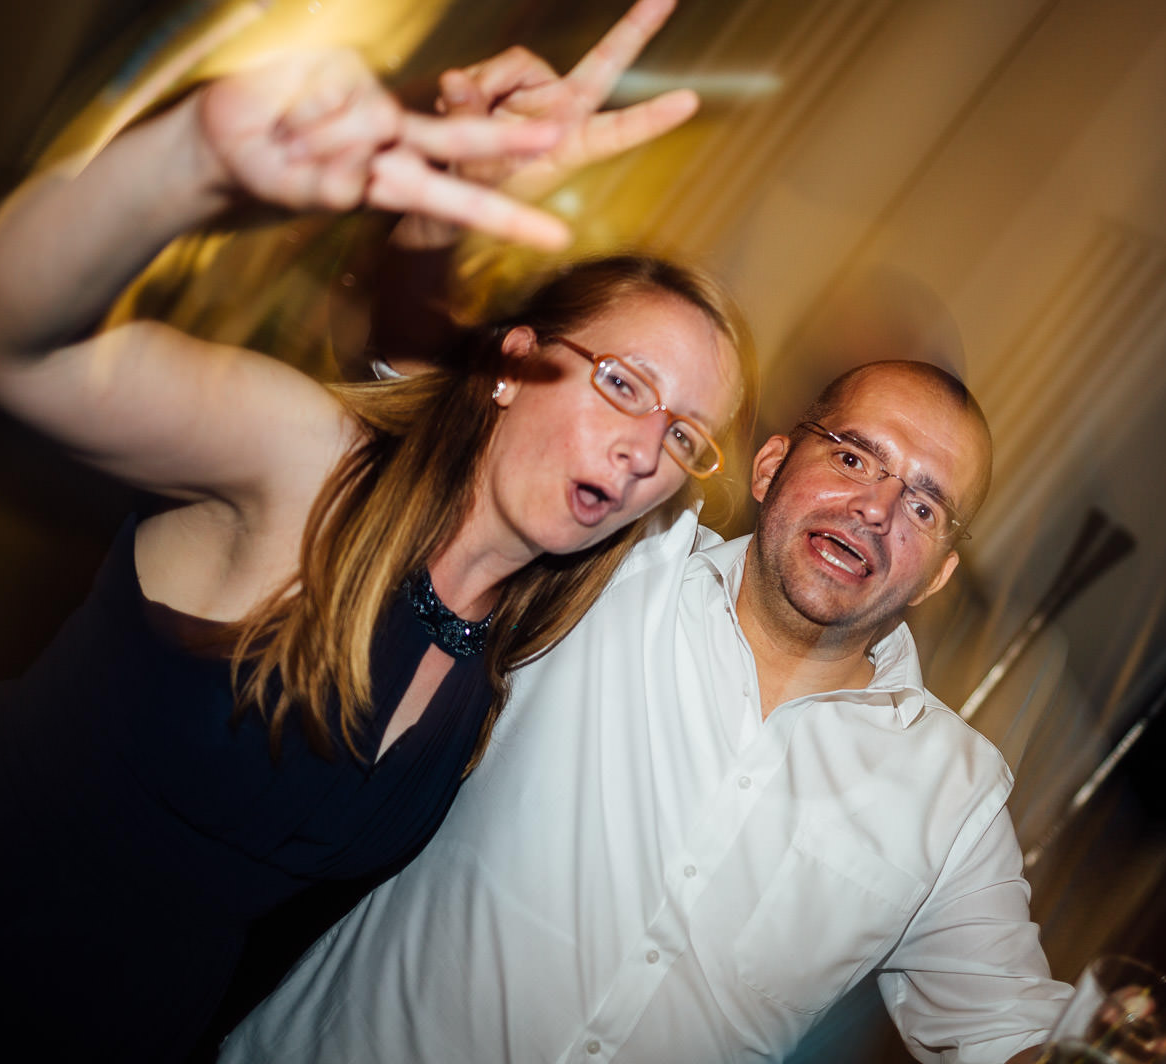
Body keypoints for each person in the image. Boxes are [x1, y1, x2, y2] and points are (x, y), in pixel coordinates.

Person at [0, 0, 756, 1061]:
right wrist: (188, 163)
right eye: (621, 382)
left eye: (684, 435)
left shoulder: (507, 643)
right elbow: (13, 342)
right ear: (515, 365)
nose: (644, 445)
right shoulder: (312, 465)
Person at [221, 358, 1068, 1062]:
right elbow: (455, 447)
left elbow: (1010, 1032)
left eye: (924, 505)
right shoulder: (610, 571)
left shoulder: (951, 794)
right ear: (771, 466)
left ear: (938, 574)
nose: (876, 510)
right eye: (852, 457)